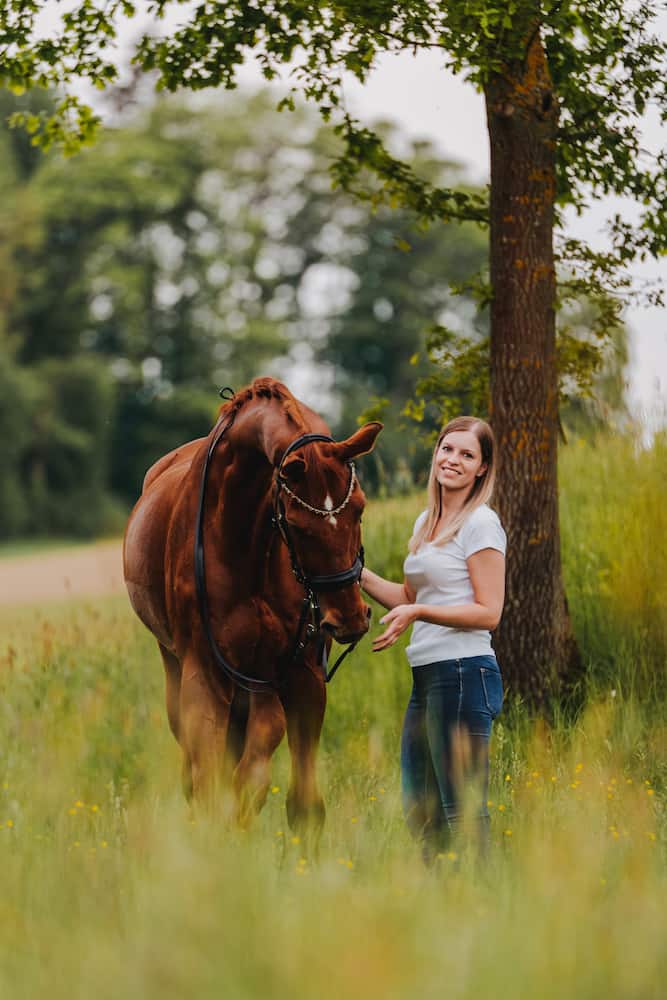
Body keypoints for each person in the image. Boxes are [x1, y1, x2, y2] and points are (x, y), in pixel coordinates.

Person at [360, 416, 506, 862]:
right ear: (436, 453)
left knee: (461, 812)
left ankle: (482, 907)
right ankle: (441, 910)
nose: (454, 460)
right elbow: (406, 596)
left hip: (464, 672)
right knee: (420, 809)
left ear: (482, 468)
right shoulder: (427, 521)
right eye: (448, 449)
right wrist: (353, 572)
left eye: (467, 455)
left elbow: (489, 612)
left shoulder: (481, 523)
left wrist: (420, 611)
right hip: (427, 677)